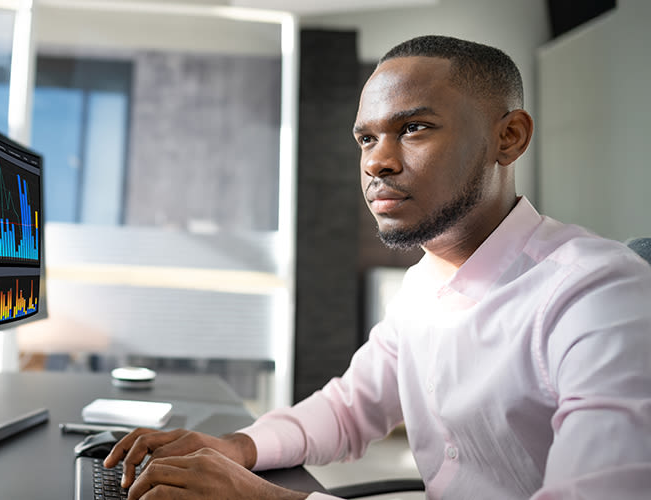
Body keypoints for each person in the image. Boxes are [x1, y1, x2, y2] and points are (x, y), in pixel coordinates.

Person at [103, 35, 651, 500]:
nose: (376, 162)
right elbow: (347, 409)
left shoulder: (598, 294)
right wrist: (235, 448)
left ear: (508, 138)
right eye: (366, 138)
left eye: (414, 128)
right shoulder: (422, 286)